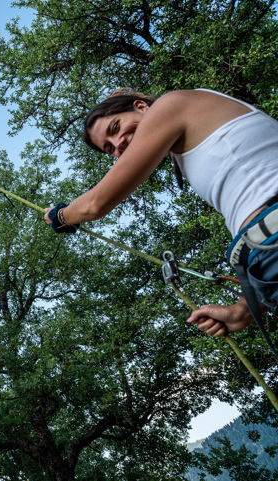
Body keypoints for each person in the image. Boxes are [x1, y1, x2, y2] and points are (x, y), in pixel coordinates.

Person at [43, 88, 278, 340]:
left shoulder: (171, 105)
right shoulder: (193, 146)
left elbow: (95, 204)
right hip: (264, 255)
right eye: (109, 148)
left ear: (141, 106)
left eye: (115, 128)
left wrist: (61, 216)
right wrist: (244, 310)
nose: (118, 145)